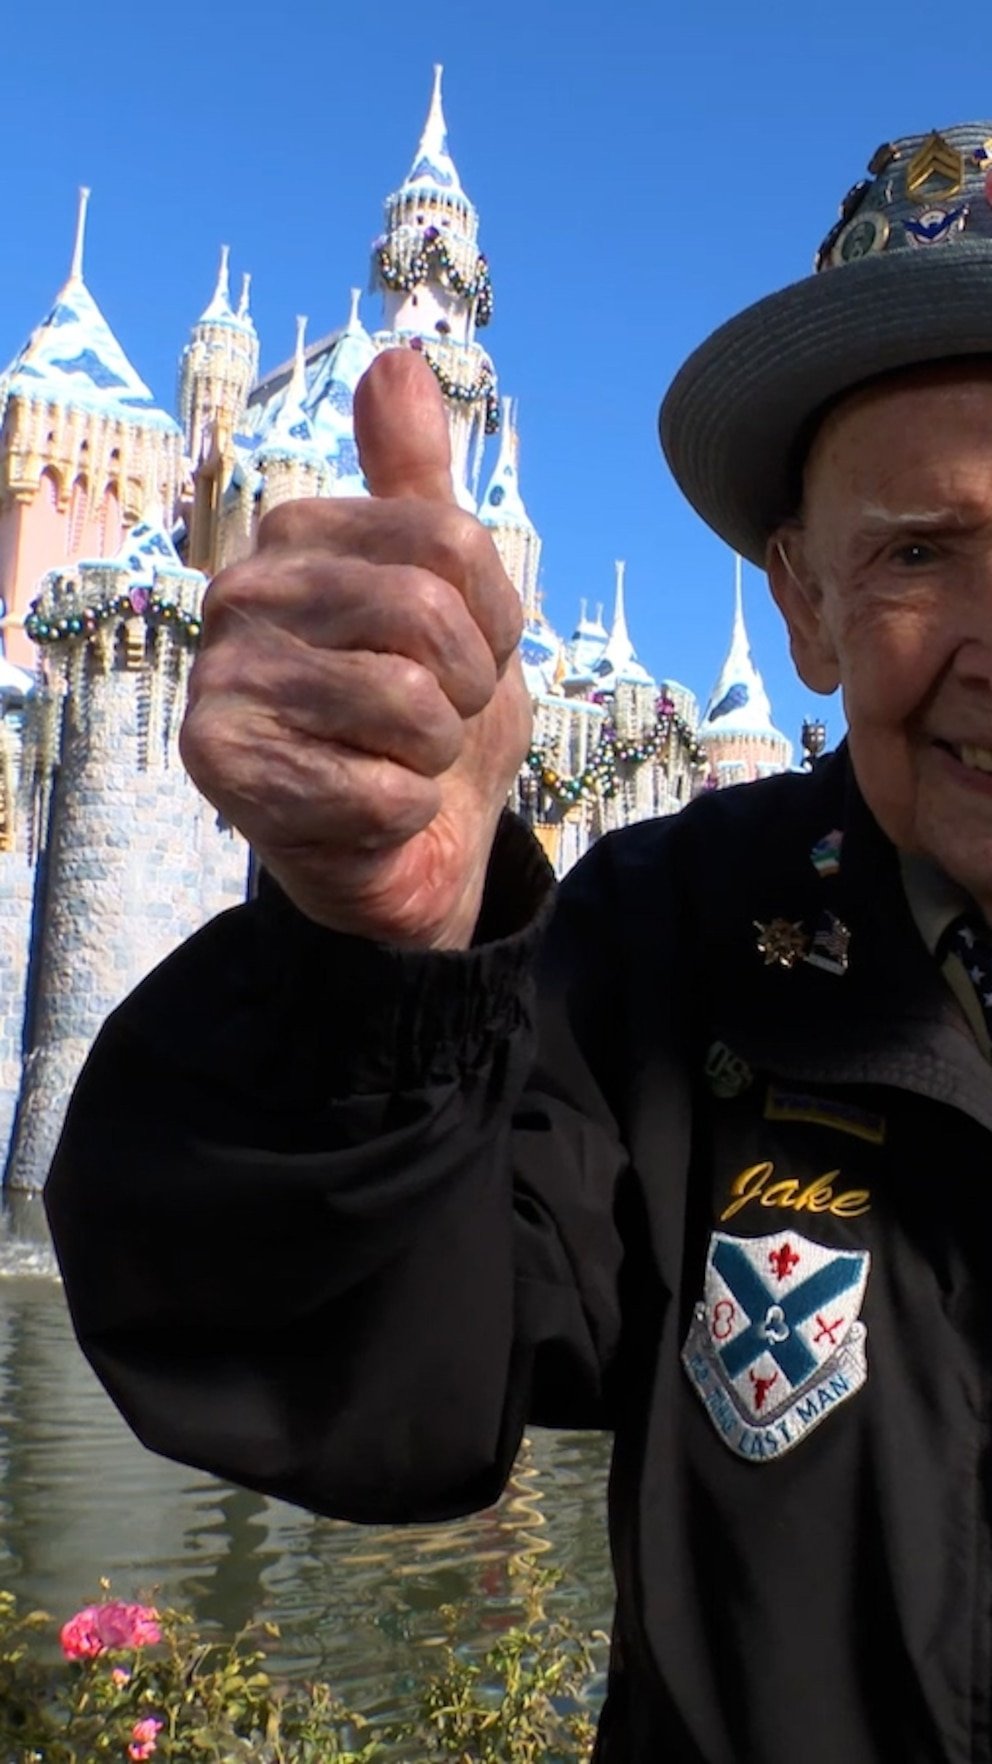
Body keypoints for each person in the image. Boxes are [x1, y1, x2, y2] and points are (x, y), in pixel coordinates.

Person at [45, 122, 992, 1764]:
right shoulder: (671, 948)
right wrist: (365, 968)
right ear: (804, 607)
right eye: (921, 551)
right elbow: (356, 1370)